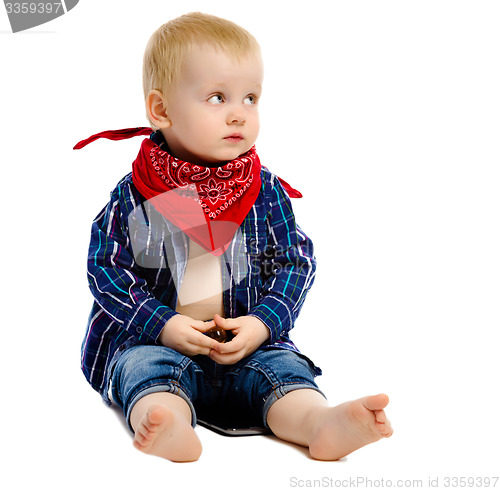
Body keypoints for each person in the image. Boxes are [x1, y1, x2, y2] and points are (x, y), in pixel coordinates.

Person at [76, 12, 393, 462]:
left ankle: (319, 423)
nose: (238, 113)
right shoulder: (136, 194)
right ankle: (167, 420)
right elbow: (106, 269)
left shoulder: (263, 190)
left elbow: (294, 261)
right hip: (156, 340)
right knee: (145, 371)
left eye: (250, 98)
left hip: (245, 344)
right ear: (162, 110)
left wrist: (262, 322)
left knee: (281, 372)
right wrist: (161, 324)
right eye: (217, 97)